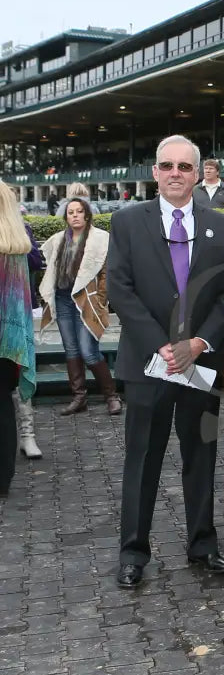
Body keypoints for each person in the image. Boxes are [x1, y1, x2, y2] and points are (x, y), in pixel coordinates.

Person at [107, 134, 224, 589]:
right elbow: (120, 289)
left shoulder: (218, 227)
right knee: (142, 460)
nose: (176, 174)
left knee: (201, 455)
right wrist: (161, 345)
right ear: (155, 172)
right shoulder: (126, 222)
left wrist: (200, 343)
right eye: (167, 166)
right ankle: (133, 552)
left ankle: (203, 544)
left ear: (199, 173)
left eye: (185, 166)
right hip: (148, 364)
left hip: (200, 363)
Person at [38, 197, 122, 416]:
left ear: (87, 214)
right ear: (66, 217)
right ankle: (79, 398)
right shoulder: (58, 240)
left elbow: (106, 272)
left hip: (87, 299)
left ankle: (111, 396)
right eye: (70, 212)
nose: (75, 215)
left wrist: (101, 297)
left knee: (88, 351)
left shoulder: (100, 239)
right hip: (63, 298)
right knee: (71, 350)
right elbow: (50, 271)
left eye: (79, 211)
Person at [0, 179, 37, 497]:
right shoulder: (16, 248)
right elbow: (20, 305)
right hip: (9, 344)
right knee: (3, 407)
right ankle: (4, 478)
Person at [12, 219, 42, 460]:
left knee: (21, 368)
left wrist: (18, 238)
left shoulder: (19, 226)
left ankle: (27, 434)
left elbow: (35, 261)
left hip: (15, 311)